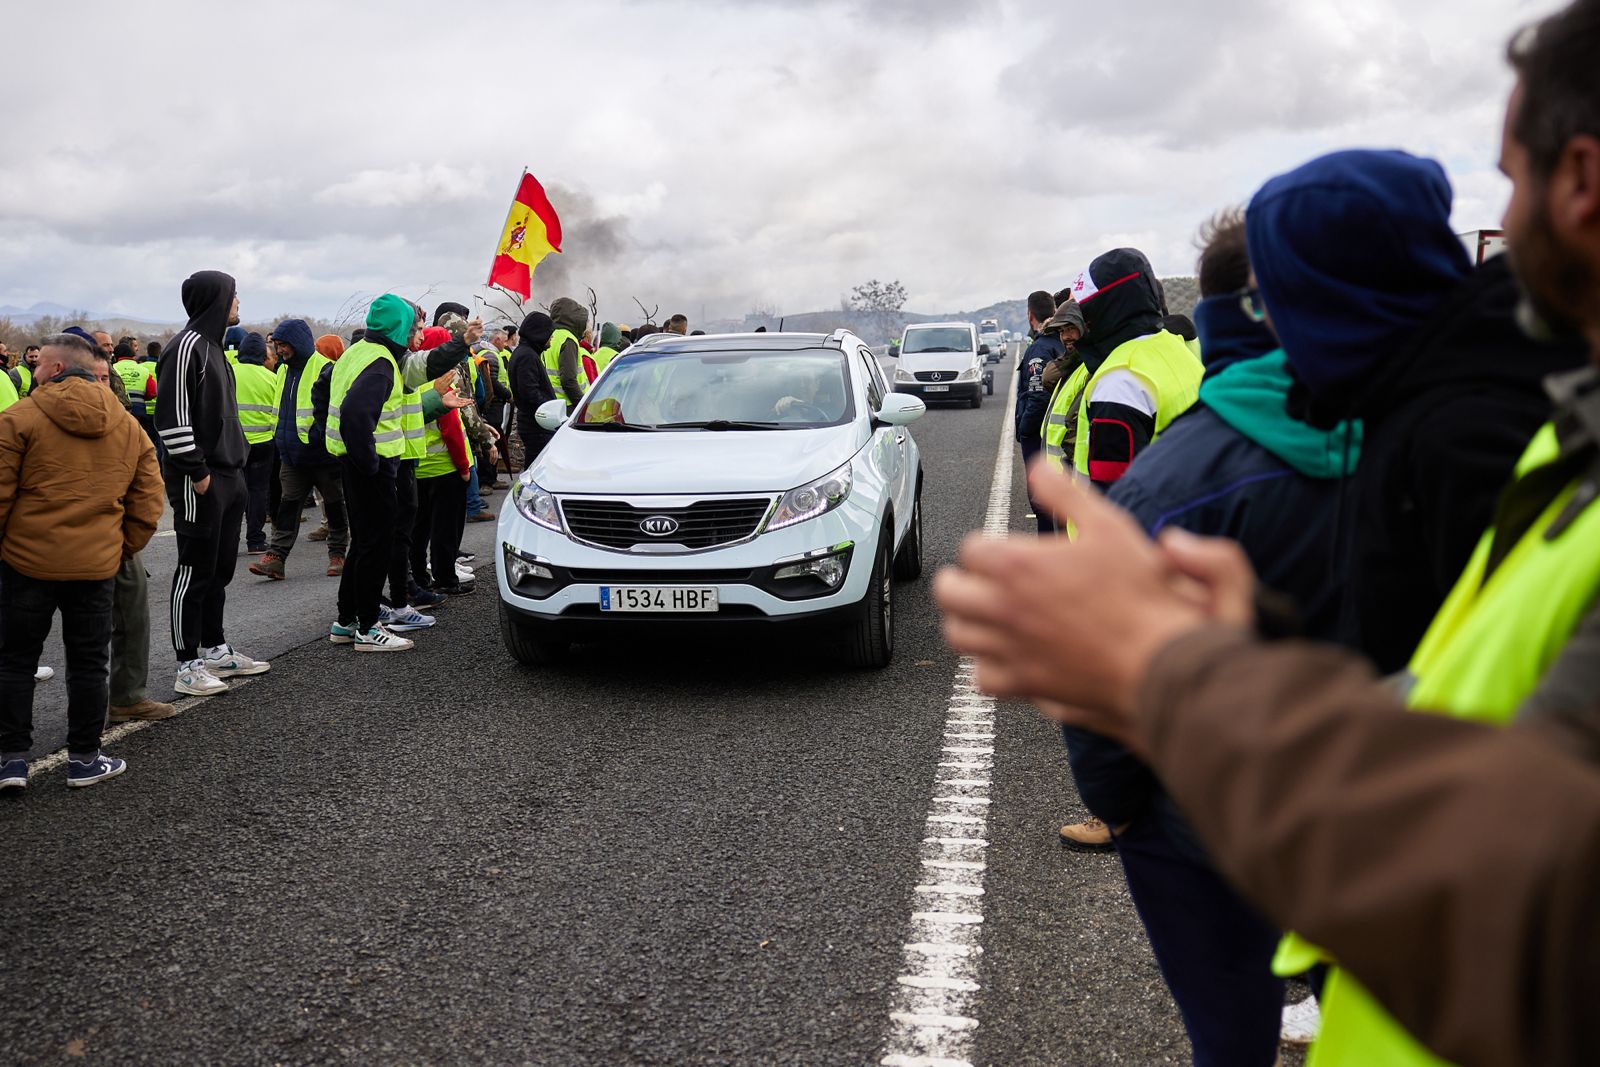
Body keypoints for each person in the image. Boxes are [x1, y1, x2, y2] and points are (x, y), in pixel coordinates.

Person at [938, 3, 1600, 1062]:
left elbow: (1542, 898)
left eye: (1511, 178)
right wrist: (1258, 646)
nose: (1502, 221)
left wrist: (1176, 673)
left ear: (1580, 183)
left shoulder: (1454, 428)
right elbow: (1471, 676)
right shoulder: (1518, 415)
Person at [0, 333, 164, 790]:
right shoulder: (127, 424)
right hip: (96, 565)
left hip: (25, 562)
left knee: (14, 661)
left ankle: (11, 760)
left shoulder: (18, 418)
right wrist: (119, 548)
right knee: (89, 662)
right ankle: (85, 759)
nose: (32, 374)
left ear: (53, 368)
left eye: (37, 367)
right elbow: (149, 499)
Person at [155, 270, 270, 696]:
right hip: (200, 479)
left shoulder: (216, 349)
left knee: (221, 568)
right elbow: (170, 419)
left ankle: (215, 648)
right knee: (194, 568)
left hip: (230, 475)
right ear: (216, 300)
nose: (238, 301)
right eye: (233, 294)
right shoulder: (185, 348)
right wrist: (197, 472)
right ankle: (187, 665)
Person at [87, 355, 178, 726]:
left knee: (130, 611)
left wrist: (130, 543)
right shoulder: (28, 420)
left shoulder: (124, 424)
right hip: (49, 546)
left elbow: (147, 489)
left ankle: (125, 698)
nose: (98, 383)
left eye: (103, 376)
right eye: (91, 376)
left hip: (114, 538)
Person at [325, 294, 418, 652]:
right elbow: (354, 415)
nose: (412, 334)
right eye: (409, 326)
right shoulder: (381, 363)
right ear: (399, 327)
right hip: (371, 466)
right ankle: (368, 627)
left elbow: (328, 400)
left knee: (362, 544)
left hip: (352, 462)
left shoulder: (356, 351)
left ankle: (346, 621)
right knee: (376, 544)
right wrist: (371, 463)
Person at [252, 322, 348, 580]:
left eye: (283, 345)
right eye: (277, 345)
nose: (279, 350)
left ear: (298, 343)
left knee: (335, 505)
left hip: (323, 457)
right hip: (292, 456)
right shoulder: (283, 371)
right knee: (288, 506)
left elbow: (335, 412)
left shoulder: (325, 368)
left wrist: (317, 438)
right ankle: (276, 557)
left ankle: (338, 555)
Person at [1015, 290, 1064, 534]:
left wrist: (1024, 429)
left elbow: (1037, 396)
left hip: (1039, 436)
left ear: (1029, 314)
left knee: (1042, 502)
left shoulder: (1040, 349)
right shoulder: (1061, 342)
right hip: (1058, 434)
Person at [233, 332, 279, 555]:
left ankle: (230, 541)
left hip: (233, 444)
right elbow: (277, 414)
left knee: (233, 492)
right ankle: (256, 541)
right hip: (263, 443)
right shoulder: (272, 377)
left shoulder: (229, 373)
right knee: (258, 491)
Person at [509, 311, 557, 467]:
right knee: (536, 468)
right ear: (540, 334)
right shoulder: (527, 356)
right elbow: (529, 392)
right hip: (536, 426)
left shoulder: (526, 353)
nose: (552, 338)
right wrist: (551, 409)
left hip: (535, 424)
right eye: (550, 334)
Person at [545, 297, 590, 413]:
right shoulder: (568, 339)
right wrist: (583, 406)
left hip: (552, 403)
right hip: (568, 405)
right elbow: (568, 380)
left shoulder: (550, 336)